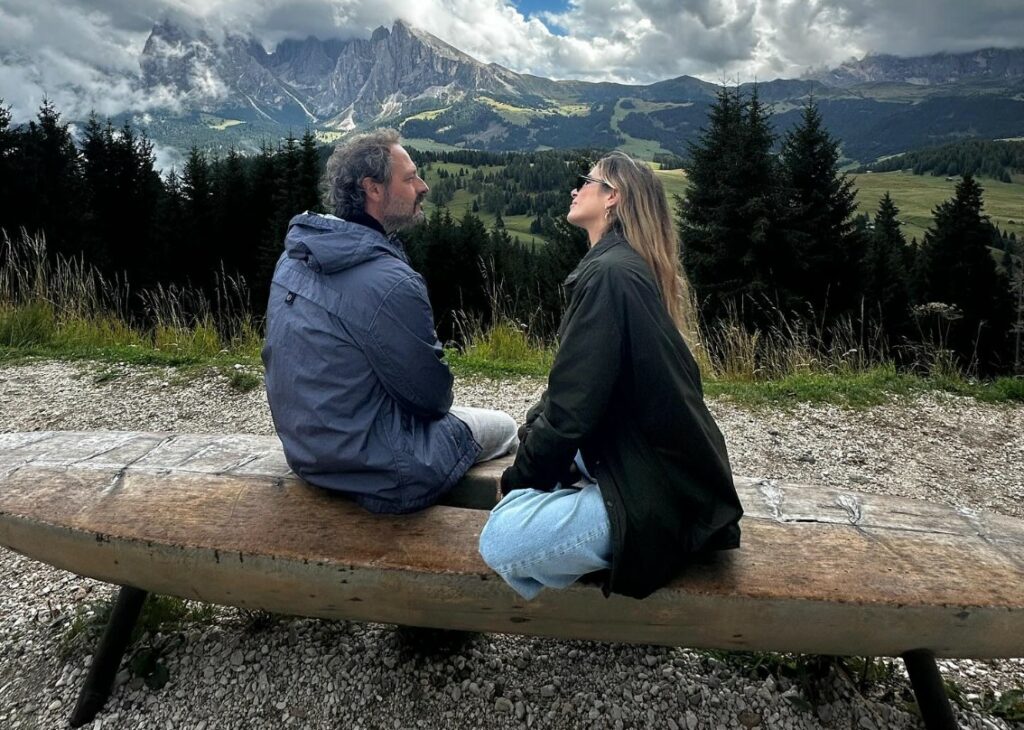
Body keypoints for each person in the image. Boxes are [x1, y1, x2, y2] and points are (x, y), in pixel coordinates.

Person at [478, 151, 743, 600]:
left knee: (500, 541)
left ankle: (617, 535)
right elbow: (572, 392)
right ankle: (583, 514)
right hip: (659, 470)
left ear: (612, 199)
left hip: (665, 498)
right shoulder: (622, 267)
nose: (575, 188)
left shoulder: (609, 275)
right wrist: (535, 441)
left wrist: (515, 485)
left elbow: (569, 414)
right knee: (534, 440)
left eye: (586, 180)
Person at [262, 129, 517, 514]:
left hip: (308, 455)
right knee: (505, 426)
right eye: (410, 177)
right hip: (382, 470)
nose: (423, 186)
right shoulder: (389, 281)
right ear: (373, 189)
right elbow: (433, 400)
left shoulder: (295, 257)